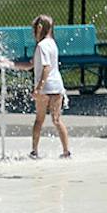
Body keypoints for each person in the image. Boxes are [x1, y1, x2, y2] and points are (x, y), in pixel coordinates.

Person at [24, 15, 72, 158]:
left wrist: (38, 88)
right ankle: (66, 151)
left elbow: (46, 68)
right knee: (57, 120)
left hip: (45, 88)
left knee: (39, 120)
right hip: (57, 86)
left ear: (39, 28)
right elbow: (31, 64)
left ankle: (34, 151)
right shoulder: (52, 43)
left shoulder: (41, 45)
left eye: (34, 29)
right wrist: (11, 64)